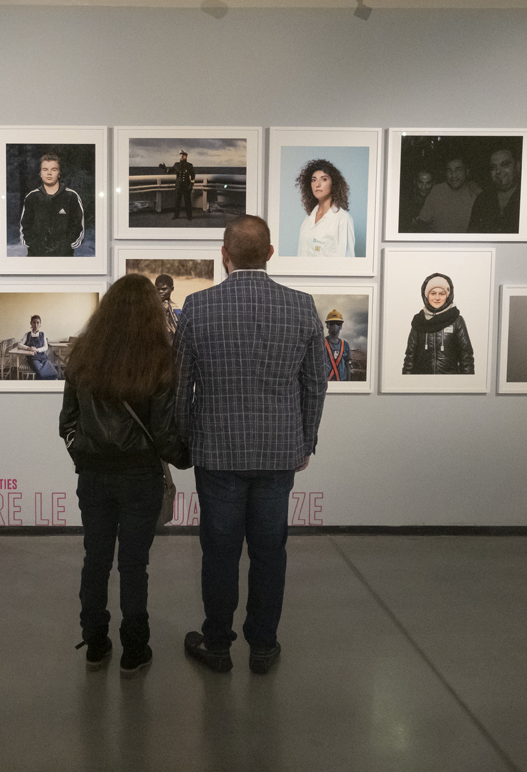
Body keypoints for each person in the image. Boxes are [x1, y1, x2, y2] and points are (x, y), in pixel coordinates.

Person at [175, 215, 327, 674]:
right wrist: (306, 440)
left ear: (224, 255)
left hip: (216, 452)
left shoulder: (197, 307)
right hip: (279, 452)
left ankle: (218, 644)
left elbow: (181, 387)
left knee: (219, 552)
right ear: (270, 253)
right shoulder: (301, 306)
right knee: (269, 551)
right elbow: (316, 383)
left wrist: (183, 442)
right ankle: (263, 645)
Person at [59, 274, 190, 677]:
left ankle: (95, 645)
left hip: (94, 477)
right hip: (140, 478)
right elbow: (165, 432)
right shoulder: (159, 359)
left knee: (95, 560)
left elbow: (68, 422)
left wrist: (82, 455)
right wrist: (186, 459)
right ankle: (135, 650)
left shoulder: (83, 353)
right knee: (134, 564)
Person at [402, 273, 474, 375]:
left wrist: (467, 384)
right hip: (421, 383)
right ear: (426, 295)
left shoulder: (457, 321)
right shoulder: (419, 321)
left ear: (447, 296)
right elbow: (410, 356)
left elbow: (466, 356)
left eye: (441, 294)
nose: (437, 298)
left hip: (450, 382)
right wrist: (406, 382)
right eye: (433, 293)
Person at [19, 154, 85, 257]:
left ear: (59, 173)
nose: (49, 173)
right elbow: (25, 226)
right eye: (45, 169)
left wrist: (66, 246)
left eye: (54, 169)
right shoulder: (32, 197)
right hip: (36, 256)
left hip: (63, 257)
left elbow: (77, 227)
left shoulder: (71, 196)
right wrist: (34, 245)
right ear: (40, 173)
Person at [295, 159, 355, 257]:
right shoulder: (309, 218)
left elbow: (347, 262)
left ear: (333, 184)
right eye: (314, 180)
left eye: (324, 179)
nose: (317, 184)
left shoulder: (343, 219)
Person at [416, 157, 479, 233]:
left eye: (458, 170)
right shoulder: (436, 191)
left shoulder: (476, 194)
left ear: (467, 172)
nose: (453, 175)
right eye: (449, 171)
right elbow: (422, 224)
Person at [467, 148, 521, 233]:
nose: (498, 171)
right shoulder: (482, 200)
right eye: (493, 167)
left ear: (517, 166)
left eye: (505, 164)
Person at [17, 315, 59, 380]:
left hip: (43, 357)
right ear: (31, 323)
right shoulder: (27, 335)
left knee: (53, 372)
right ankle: (47, 379)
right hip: (33, 358)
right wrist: (29, 348)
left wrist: (37, 349)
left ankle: (42, 382)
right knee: (40, 371)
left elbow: (45, 347)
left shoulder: (43, 334)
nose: (36, 325)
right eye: (34, 322)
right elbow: (19, 344)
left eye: (38, 322)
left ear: (40, 324)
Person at [163, 150, 196, 220]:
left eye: (183, 155)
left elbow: (193, 176)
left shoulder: (189, 166)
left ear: (186, 157)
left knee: (188, 202)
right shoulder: (176, 165)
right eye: (181, 155)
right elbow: (170, 171)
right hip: (178, 187)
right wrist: (164, 168)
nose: (181, 156)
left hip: (186, 186)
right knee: (177, 202)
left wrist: (191, 185)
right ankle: (176, 215)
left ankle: (189, 216)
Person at [322, 310, 350, 382]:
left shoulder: (345, 345)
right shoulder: (321, 343)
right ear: (327, 325)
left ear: (341, 326)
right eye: (332, 323)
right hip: (326, 383)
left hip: (341, 383)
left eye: (338, 323)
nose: (335, 326)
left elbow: (347, 366)